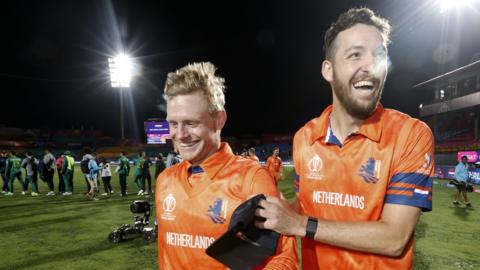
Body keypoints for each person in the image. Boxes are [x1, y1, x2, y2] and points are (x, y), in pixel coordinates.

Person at [254, 8, 434, 269]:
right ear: (328, 70)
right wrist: (277, 209)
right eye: (355, 55)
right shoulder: (305, 137)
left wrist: (298, 224)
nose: (371, 66)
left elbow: (394, 238)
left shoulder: (410, 134)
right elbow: (307, 205)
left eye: (379, 55)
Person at [155, 62, 297, 269]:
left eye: (191, 123)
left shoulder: (251, 179)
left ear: (219, 119)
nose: (180, 134)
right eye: (173, 124)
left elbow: (284, 258)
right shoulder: (165, 180)